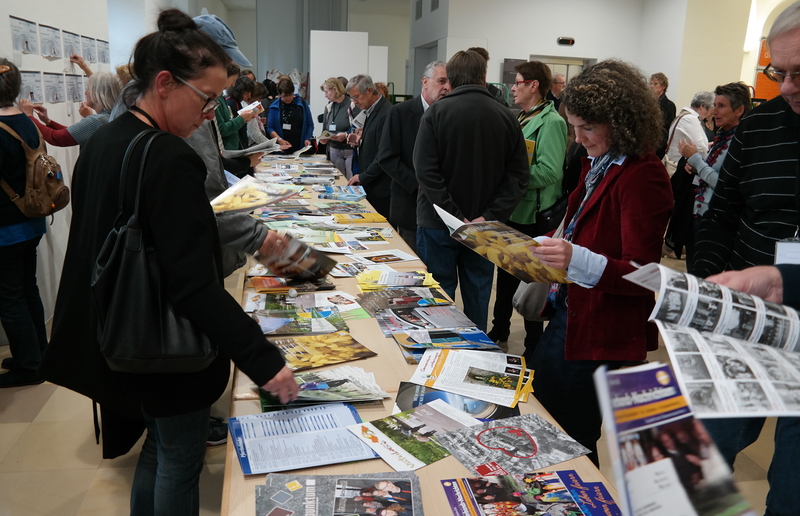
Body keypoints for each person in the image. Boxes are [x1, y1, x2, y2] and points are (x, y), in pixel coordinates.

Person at [38, 10, 298, 515]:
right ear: (163, 83)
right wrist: (264, 361)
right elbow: (192, 284)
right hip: (166, 344)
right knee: (179, 459)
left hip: (119, 330)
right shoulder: (169, 157)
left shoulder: (105, 141)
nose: (211, 113)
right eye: (206, 98)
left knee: (158, 451)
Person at [530, 60, 673, 465]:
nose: (578, 138)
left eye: (587, 128)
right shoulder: (599, 163)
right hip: (570, 312)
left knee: (570, 436)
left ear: (621, 121)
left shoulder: (642, 175)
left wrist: (577, 257)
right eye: (574, 126)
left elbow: (646, 275)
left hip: (600, 328)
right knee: (548, 421)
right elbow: (577, 226)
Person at [691, 4, 800, 514]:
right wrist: (705, 286)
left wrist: (787, 280)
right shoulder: (760, 128)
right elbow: (722, 211)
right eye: (780, 73)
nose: (789, 86)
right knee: (702, 458)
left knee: (792, 484)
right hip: (749, 318)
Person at [413, 49, 529, 331]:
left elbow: (426, 172)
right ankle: (476, 356)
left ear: (450, 80)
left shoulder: (436, 114)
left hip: (437, 222)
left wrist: (453, 214)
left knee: (439, 295)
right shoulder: (507, 117)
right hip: (483, 227)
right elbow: (518, 177)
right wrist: (487, 216)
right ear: (484, 77)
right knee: (478, 293)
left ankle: (441, 352)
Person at [487, 60, 566, 358]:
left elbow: (550, 172)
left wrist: (510, 178)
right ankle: (500, 329)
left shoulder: (552, 122)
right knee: (505, 278)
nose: (513, 87)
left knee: (531, 282)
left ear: (534, 85)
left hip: (534, 216)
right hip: (513, 211)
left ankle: (534, 346)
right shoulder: (521, 117)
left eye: (518, 82)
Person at [0, 59, 48, 387]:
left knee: (9, 297)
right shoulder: (26, 120)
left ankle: (28, 366)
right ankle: (37, 352)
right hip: (31, 220)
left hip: (6, 226)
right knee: (27, 287)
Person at [673, 83, 751, 272]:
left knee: (706, 276)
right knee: (694, 270)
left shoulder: (739, 143)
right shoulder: (722, 137)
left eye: (721, 106)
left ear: (739, 110)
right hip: (699, 213)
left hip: (717, 218)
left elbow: (724, 183)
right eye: (714, 105)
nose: (714, 111)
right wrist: (696, 167)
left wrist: (696, 161)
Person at [376, 61, 450, 252]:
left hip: (444, 209)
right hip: (410, 204)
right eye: (441, 81)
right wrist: (419, 183)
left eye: (449, 82)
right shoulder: (400, 112)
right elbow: (387, 157)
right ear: (425, 82)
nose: (447, 87)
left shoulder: (451, 114)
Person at [19, 72, 122, 147]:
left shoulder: (96, 121)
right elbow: (71, 132)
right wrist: (48, 122)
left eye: (88, 89)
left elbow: (56, 138)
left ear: (98, 93)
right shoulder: (112, 116)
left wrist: (29, 117)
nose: (86, 93)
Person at [346, 74, 393, 219]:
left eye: (356, 97)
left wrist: (364, 176)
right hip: (371, 185)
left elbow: (385, 153)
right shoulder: (370, 110)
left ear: (368, 91)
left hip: (381, 188)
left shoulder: (386, 113)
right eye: (352, 98)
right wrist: (361, 141)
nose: (355, 102)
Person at [319, 77, 356, 177]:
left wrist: (346, 134)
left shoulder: (352, 105)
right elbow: (325, 129)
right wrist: (323, 139)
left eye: (327, 92)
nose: (325, 96)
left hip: (349, 150)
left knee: (350, 178)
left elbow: (359, 127)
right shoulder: (329, 107)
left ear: (335, 90)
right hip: (334, 149)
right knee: (337, 179)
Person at [665, 91, 714, 164]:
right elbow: (700, 148)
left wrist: (707, 145)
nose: (710, 114)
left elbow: (694, 144)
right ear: (702, 106)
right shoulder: (690, 119)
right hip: (679, 165)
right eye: (710, 110)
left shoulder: (686, 116)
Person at [267, 77, 313, 154]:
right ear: (279, 95)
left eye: (290, 95)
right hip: (282, 147)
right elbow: (270, 128)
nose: (288, 98)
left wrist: (307, 138)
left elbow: (310, 124)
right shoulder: (274, 106)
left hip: (300, 146)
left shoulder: (302, 104)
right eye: (284, 96)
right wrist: (280, 140)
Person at [650, 72, 676, 159]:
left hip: (659, 147)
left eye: (655, 84)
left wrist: (659, 147)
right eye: (651, 84)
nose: (651, 86)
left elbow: (667, 129)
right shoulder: (649, 104)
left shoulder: (669, 105)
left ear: (663, 86)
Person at [225, 75, 255, 149]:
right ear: (239, 91)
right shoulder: (231, 103)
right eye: (246, 93)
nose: (249, 96)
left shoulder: (237, 102)